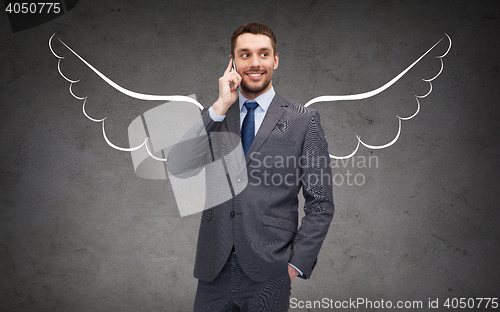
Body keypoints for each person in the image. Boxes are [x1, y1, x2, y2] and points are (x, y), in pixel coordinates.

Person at [167, 22, 334, 312]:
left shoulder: (303, 120)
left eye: (263, 54)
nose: (255, 63)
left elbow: (321, 202)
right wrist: (220, 106)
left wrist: (295, 265)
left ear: (275, 60)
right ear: (232, 62)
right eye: (245, 55)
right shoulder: (217, 116)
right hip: (213, 270)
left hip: (270, 271)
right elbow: (180, 165)